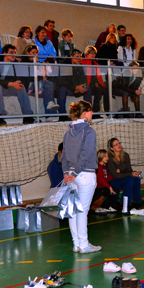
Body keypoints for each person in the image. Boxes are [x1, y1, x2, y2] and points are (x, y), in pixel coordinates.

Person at [62, 100, 101, 253]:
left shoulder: (67, 132)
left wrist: (67, 173)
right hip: (84, 174)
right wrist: (75, 172)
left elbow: (64, 156)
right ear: (85, 113)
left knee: (73, 211)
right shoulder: (89, 131)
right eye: (91, 111)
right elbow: (86, 155)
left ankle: (76, 243)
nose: (92, 114)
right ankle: (83, 244)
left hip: (72, 175)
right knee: (82, 211)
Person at [0, 44, 34, 125]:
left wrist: (18, 83)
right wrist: (12, 83)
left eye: (15, 53)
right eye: (11, 52)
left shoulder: (15, 63)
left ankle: (28, 115)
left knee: (21, 88)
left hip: (7, 87)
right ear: (4, 53)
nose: (13, 55)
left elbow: (20, 77)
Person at [106, 137, 144, 210]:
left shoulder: (125, 155)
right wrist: (129, 174)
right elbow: (115, 175)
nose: (119, 145)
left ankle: (137, 202)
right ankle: (125, 204)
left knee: (136, 178)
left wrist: (135, 173)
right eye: (116, 144)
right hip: (113, 180)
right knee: (130, 179)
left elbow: (129, 170)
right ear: (112, 148)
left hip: (123, 178)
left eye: (119, 143)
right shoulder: (110, 159)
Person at [81, 46, 108, 116]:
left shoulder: (95, 63)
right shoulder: (83, 62)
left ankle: (100, 111)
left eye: (94, 53)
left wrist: (98, 83)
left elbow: (97, 76)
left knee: (104, 89)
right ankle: (92, 111)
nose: (93, 55)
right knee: (97, 90)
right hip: (86, 83)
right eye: (91, 53)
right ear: (87, 53)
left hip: (93, 84)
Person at [95, 149, 119, 213]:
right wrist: (109, 187)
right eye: (105, 156)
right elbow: (100, 179)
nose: (107, 158)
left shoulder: (104, 167)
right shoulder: (98, 167)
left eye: (107, 156)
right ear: (100, 157)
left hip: (103, 187)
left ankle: (104, 207)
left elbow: (107, 178)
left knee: (115, 191)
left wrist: (115, 174)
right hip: (98, 188)